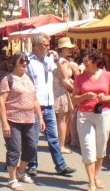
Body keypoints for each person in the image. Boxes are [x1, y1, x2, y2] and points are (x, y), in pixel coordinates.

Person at [26, 36, 76, 177]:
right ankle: (32, 165)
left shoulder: (49, 60)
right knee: (34, 137)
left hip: (48, 104)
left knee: (53, 137)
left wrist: (57, 61)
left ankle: (60, 165)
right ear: (36, 46)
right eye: (46, 45)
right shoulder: (28, 61)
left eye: (49, 45)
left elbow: (62, 76)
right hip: (35, 104)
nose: (49, 47)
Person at [72, 48, 110, 191]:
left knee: (101, 147)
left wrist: (105, 98)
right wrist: (85, 97)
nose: (84, 63)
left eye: (87, 61)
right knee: (87, 147)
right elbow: (74, 99)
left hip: (103, 113)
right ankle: (91, 181)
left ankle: (96, 176)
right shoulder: (79, 78)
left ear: (94, 60)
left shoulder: (107, 75)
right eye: (83, 61)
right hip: (84, 114)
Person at [0, 52, 45, 190]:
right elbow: (1, 102)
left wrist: (40, 117)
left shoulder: (29, 78)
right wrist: (4, 123)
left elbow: (34, 99)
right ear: (14, 64)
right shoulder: (7, 79)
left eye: (26, 62)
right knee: (14, 150)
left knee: (31, 147)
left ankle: (21, 171)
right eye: (22, 62)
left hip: (29, 119)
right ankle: (12, 179)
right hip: (13, 119)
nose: (25, 64)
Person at [53, 36, 76, 154]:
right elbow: (64, 79)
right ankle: (61, 145)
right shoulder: (62, 61)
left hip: (60, 90)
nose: (70, 50)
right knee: (62, 119)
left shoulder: (60, 61)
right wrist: (75, 89)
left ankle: (62, 142)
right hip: (61, 91)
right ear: (62, 49)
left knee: (63, 119)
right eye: (68, 48)